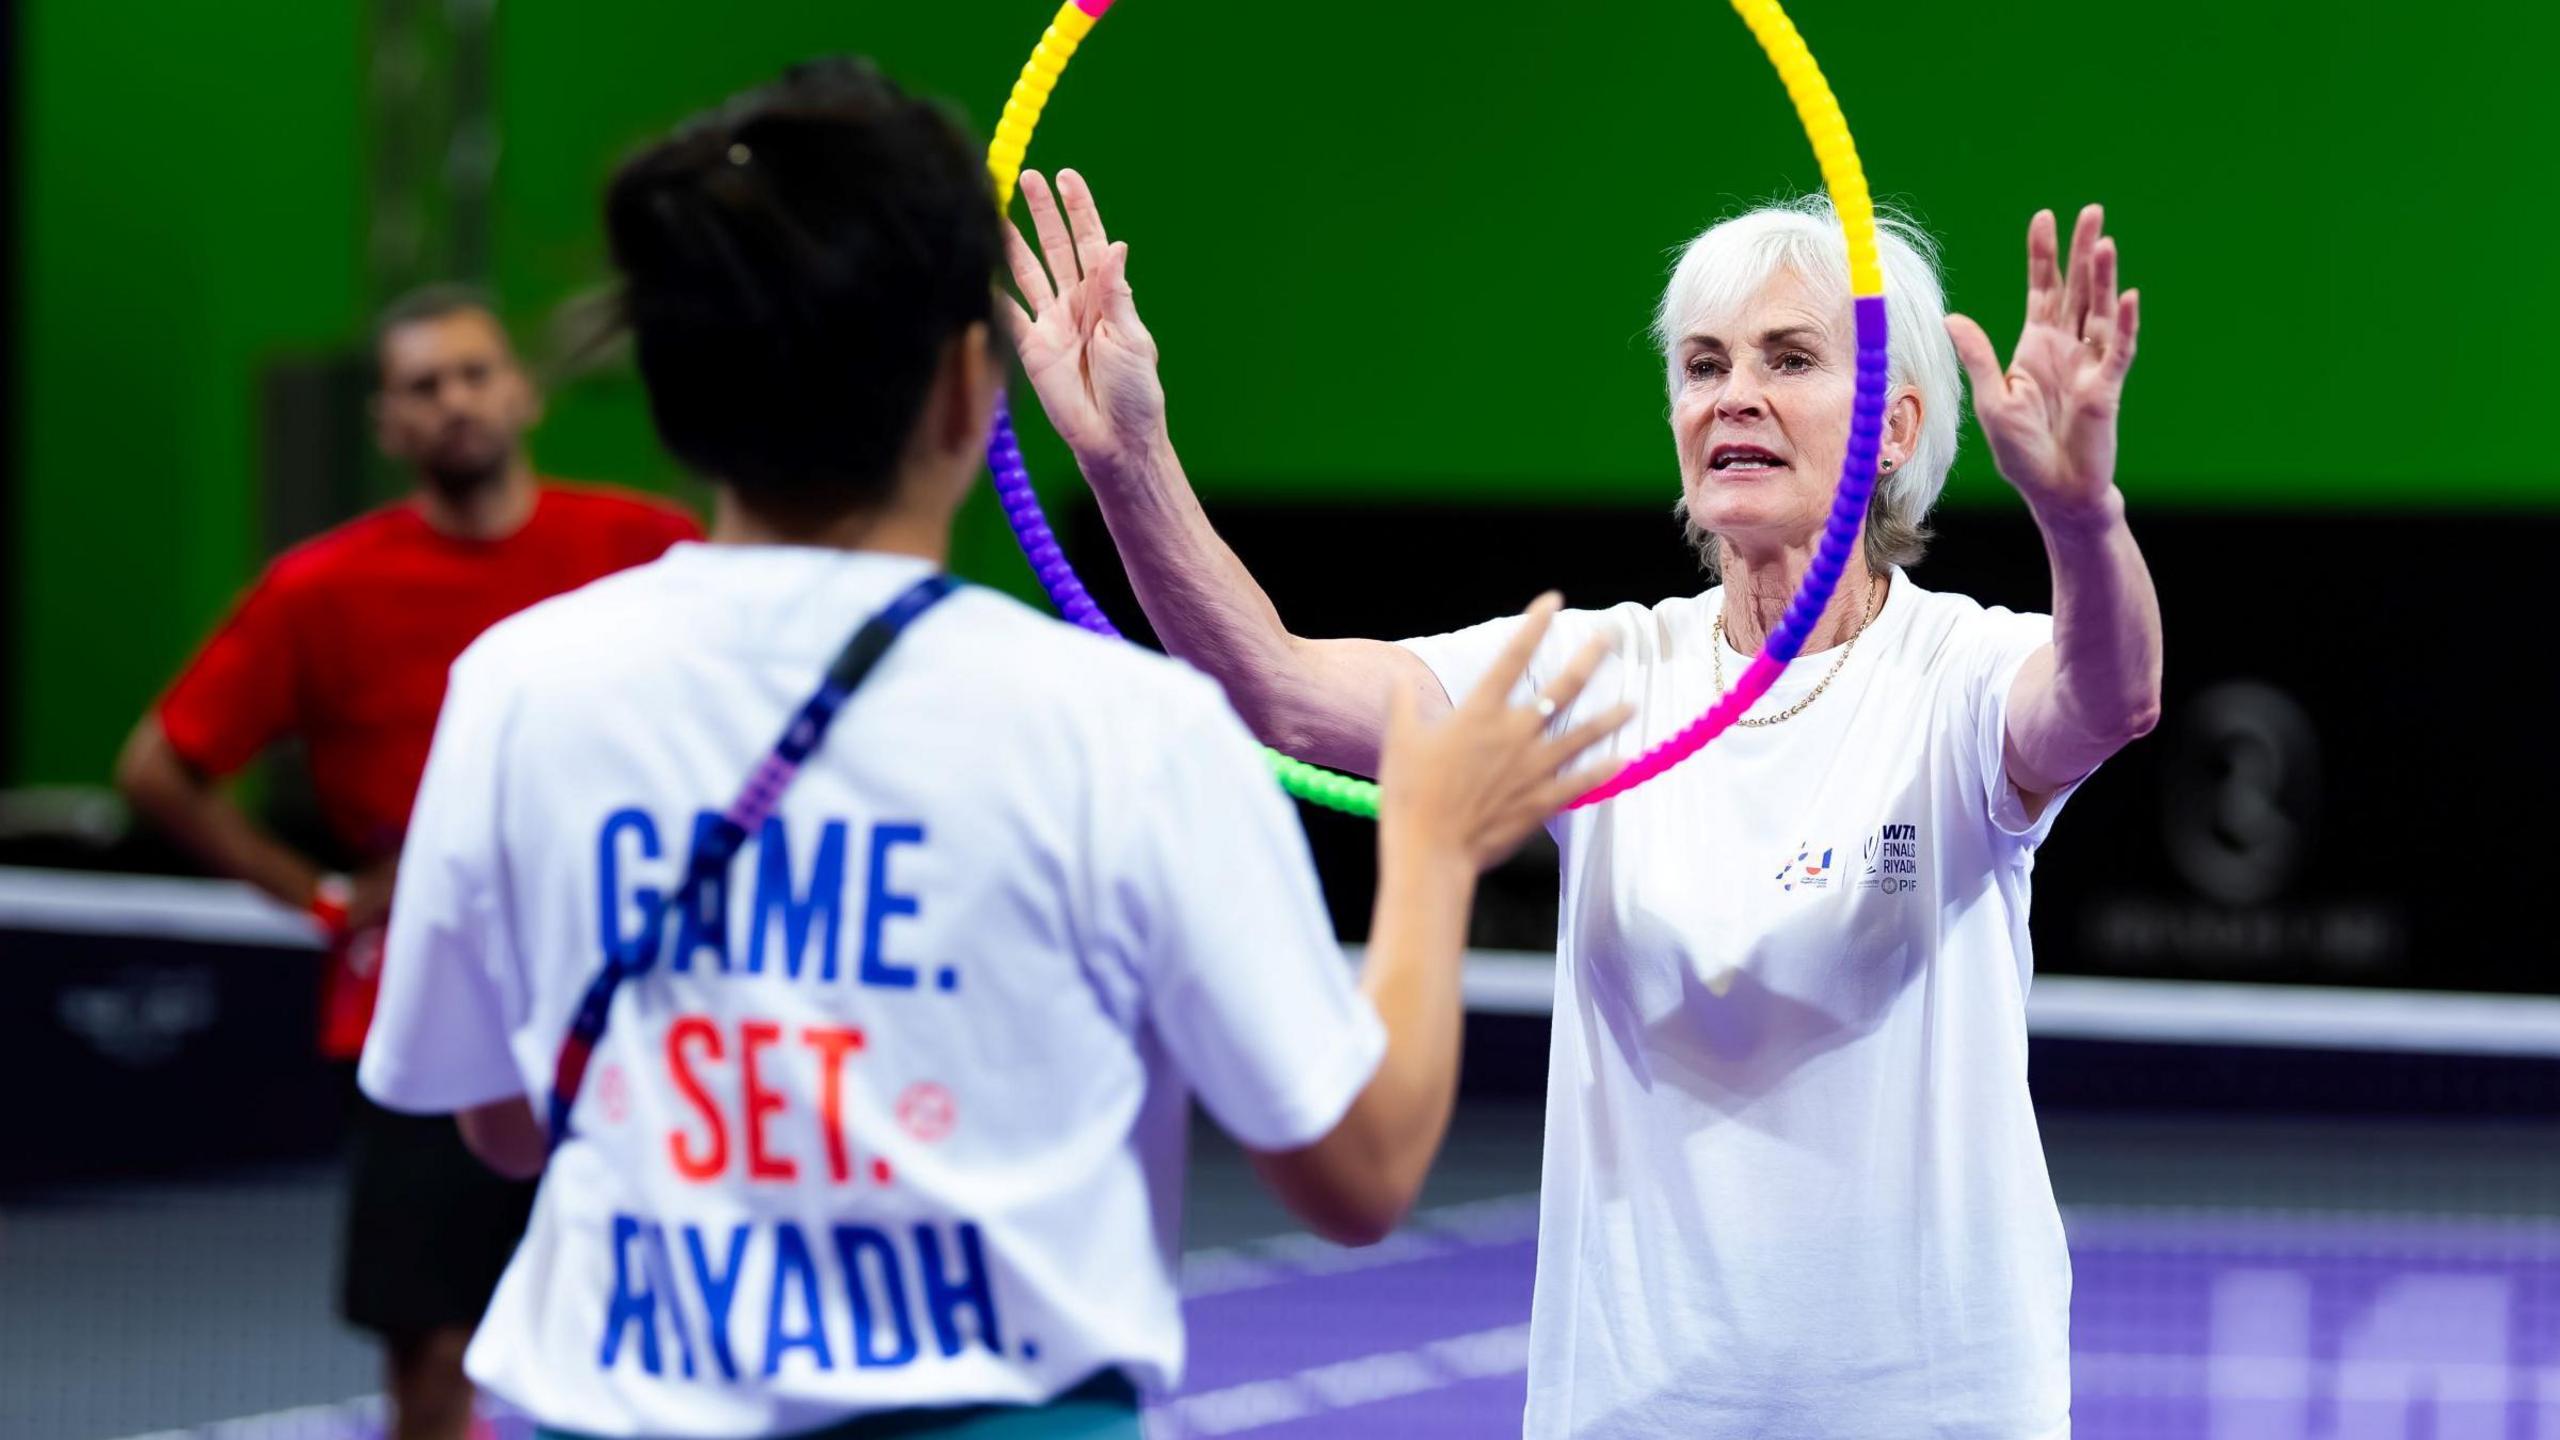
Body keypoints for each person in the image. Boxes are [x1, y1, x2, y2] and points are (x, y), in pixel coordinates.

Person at [354, 58, 1623, 1440]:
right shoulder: (1118, 731)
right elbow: (1363, 1171)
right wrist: (1433, 853)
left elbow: (501, 1125)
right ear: (970, 387)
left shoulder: (518, 692)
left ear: (676, 389)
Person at [1003, 166, 2165, 1437]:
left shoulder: (1956, 673)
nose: (1734, 396)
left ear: (1893, 428)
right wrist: (1128, 459)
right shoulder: (1599, 677)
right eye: (1703, 364)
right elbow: (1277, 690)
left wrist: (2080, 516)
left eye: (1787, 358)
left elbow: (2107, 698)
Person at [116, 285, 702, 1440]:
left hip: (635, 1002)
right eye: (423, 386)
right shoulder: (319, 590)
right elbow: (158, 766)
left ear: (523, 393)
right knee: (433, 1349)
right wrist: (324, 898)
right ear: (387, 423)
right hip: (422, 1010)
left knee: (663, 1322)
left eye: (476, 374)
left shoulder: (649, 546)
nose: (455, 402)